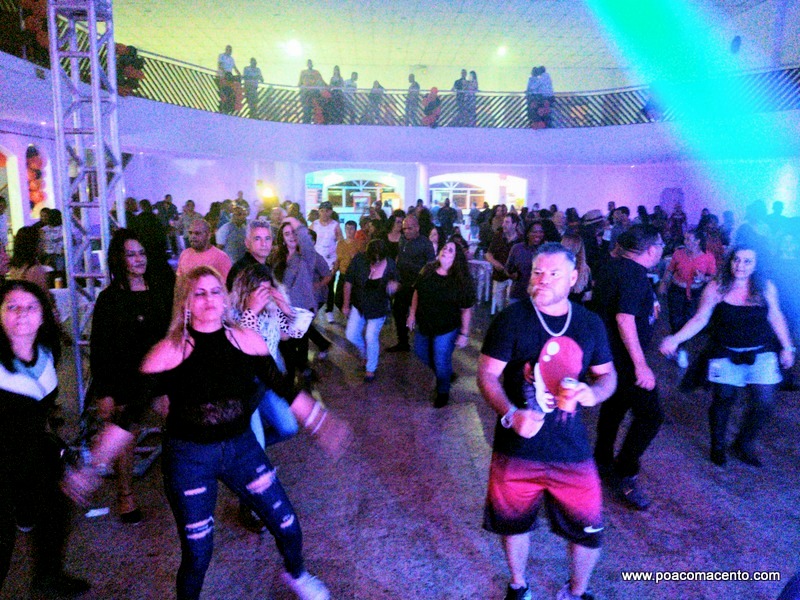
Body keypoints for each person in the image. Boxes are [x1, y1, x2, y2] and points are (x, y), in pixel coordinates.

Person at [140, 266, 335, 600]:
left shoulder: (245, 338)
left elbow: (281, 385)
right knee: (198, 554)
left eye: (215, 291)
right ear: (185, 301)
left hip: (241, 448)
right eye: (199, 293)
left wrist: (317, 418)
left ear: (226, 298)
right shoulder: (168, 351)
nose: (209, 299)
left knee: (287, 522)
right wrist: (92, 464)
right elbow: (129, 416)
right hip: (190, 458)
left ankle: (297, 574)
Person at [478, 243, 617, 600]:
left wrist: (593, 394)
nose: (542, 279)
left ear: (573, 278)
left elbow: (607, 376)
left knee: (588, 530)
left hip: (571, 450)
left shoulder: (589, 323)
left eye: (554, 273)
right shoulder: (511, 319)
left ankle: (576, 592)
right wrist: (511, 414)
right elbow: (487, 375)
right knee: (513, 524)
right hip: (516, 448)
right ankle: (518, 584)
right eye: (538, 272)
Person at [0, 280, 95, 597]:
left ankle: (48, 579)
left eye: (30, 307)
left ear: (43, 315)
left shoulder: (46, 352)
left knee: (54, 512)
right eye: (12, 307)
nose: (21, 314)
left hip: (32, 450)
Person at [660, 245, 795, 466]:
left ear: (756, 264)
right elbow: (700, 318)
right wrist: (675, 339)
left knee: (764, 402)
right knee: (723, 399)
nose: (740, 266)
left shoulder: (765, 287)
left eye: (747, 261)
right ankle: (718, 444)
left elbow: (775, 316)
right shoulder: (717, 286)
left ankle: (743, 443)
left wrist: (787, 347)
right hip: (725, 351)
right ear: (730, 261)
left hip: (761, 351)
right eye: (736, 260)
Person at [89, 229, 174, 524]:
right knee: (126, 436)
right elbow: (99, 349)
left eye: (142, 253)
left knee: (178, 426)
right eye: (131, 254)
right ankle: (125, 495)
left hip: (160, 377)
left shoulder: (160, 291)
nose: (139, 259)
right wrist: (104, 393)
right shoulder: (109, 299)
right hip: (124, 378)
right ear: (119, 259)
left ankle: (179, 482)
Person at [592, 225, 665, 511]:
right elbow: (624, 318)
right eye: (660, 244)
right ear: (651, 249)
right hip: (623, 359)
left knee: (614, 409)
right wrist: (640, 365)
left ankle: (602, 460)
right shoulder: (633, 274)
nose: (662, 249)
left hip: (608, 356)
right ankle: (626, 472)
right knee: (651, 415)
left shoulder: (613, 267)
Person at [408, 240, 474, 407]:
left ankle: (443, 391)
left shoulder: (460, 280)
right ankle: (445, 373)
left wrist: (464, 333)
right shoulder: (428, 269)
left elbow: (466, 309)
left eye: (450, 250)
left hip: (447, 327)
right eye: (444, 248)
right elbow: (417, 291)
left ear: (456, 257)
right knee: (420, 352)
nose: (445, 251)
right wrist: (412, 314)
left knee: (441, 359)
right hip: (425, 323)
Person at [657, 228, 716, 367]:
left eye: (689, 239)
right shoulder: (679, 253)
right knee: (675, 320)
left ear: (698, 241)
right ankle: (677, 347)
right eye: (685, 239)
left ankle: (681, 349)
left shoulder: (708, 256)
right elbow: (670, 270)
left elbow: (714, 276)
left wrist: (703, 278)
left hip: (696, 293)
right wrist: (663, 284)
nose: (685, 241)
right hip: (677, 291)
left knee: (689, 321)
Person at [343, 239, 399, 383]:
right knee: (351, 334)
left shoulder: (390, 264)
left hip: (378, 307)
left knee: (371, 336)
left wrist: (394, 286)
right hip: (359, 304)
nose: (376, 263)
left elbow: (397, 282)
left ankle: (371, 368)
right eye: (374, 260)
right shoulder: (359, 260)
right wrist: (346, 304)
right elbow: (348, 282)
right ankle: (365, 353)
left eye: (379, 260)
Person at [270, 217, 318, 384]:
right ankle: (294, 377)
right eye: (287, 233)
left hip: (301, 310)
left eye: (293, 233)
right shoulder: (276, 258)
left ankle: (301, 379)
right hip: (282, 310)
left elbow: (306, 241)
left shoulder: (306, 257)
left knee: (300, 345)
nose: (291, 236)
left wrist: (292, 220)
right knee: (286, 347)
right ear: (282, 238)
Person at [388, 215, 435, 353]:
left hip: (417, 286)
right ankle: (403, 342)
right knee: (398, 312)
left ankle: (428, 345)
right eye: (404, 229)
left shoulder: (425, 243)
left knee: (421, 316)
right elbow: (399, 258)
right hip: (402, 283)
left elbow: (430, 266)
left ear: (417, 228)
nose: (406, 231)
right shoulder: (402, 240)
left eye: (409, 228)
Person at [310, 202, 342, 323]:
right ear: (319, 211)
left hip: (330, 262)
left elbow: (340, 243)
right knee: (315, 287)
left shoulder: (335, 225)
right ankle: (314, 310)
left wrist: (337, 262)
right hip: (316, 262)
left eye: (327, 211)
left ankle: (329, 311)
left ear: (331, 212)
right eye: (322, 210)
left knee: (329, 288)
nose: (324, 213)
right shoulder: (314, 225)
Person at [486, 213, 520, 314]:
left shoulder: (521, 239)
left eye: (507, 222)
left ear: (515, 224)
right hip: (499, 274)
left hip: (514, 276)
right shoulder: (498, 237)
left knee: (511, 300)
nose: (503, 225)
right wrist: (495, 263)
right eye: (504, 222)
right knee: (498, 301)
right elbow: (488, 254)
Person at [505, 220, 547, 304]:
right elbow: (507, 268)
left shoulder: (547, 250)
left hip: (539, 296)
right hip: (518, 294)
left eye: (540, 232)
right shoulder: (517, 248)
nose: (538, 234)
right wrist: (511, 274)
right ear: (527, 234)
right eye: (534, 232)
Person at [226, 219, 273, 290]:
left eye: (267, 238)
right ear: (247, 243)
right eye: (257, 239)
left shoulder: (269, 267)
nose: (264, 244)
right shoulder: (241, 271)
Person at [7, 226, 49, 293]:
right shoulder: (35, 270)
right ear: (33, 244)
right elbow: (44, 295)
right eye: (41, 241)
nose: (44, 245)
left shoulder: (14, 267)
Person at [298, 59, 325, 124]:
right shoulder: (303, 72)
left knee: (315, 107)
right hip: (305, 93)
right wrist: (301, 89)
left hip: (313, 92)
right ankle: (306, 121)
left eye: (310, 63)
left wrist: (328, 87)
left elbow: (321, 81)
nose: (309, 64)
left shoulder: (316, 72)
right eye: (308, 63)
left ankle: (315, 120)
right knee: (306, 108)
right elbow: (300, 82)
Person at [217, 45, 241, 115]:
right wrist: (225, 73)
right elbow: (220, 65)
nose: (230, 51)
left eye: (230, 50)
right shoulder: (222, 56)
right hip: (223, 76)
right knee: (223, 92)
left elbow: (234, 68)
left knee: (229, 93)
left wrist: (239, 74)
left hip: (229, 77)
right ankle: (222, 109)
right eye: (228, 50)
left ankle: (228, 109)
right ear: (226, 50)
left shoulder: (231, 59)